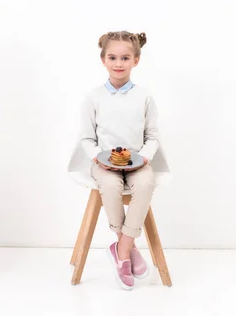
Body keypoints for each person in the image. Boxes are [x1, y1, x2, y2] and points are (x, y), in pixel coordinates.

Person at [68, 31, 166, 290]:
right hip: (104, 164)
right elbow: (87, 139)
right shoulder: (94, 97)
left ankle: (122, 248)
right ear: (103, 60)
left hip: (138, 163)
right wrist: (97, 159)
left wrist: (145, 156)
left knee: (145, 185)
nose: (118, 63)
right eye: (112, 57)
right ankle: (128, 247)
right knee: (110, 187)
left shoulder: (144, 96)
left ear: (136, 60)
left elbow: (152, 136)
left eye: (125, 58)